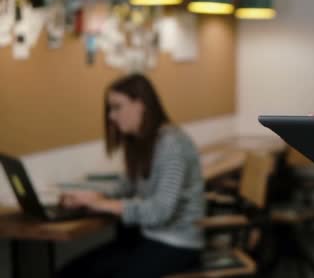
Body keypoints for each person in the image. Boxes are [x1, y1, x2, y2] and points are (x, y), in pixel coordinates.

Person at [57, 73, 204, 278]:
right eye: (110, 109)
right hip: (146, 238)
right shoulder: (141, 142)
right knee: (69, 273)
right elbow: (126, 186)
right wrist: (89, 196)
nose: (111, 116)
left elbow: (160, 211)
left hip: (177, 245)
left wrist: (102, 204)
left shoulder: (172, 144)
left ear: (141, 104)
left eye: (117, 107)